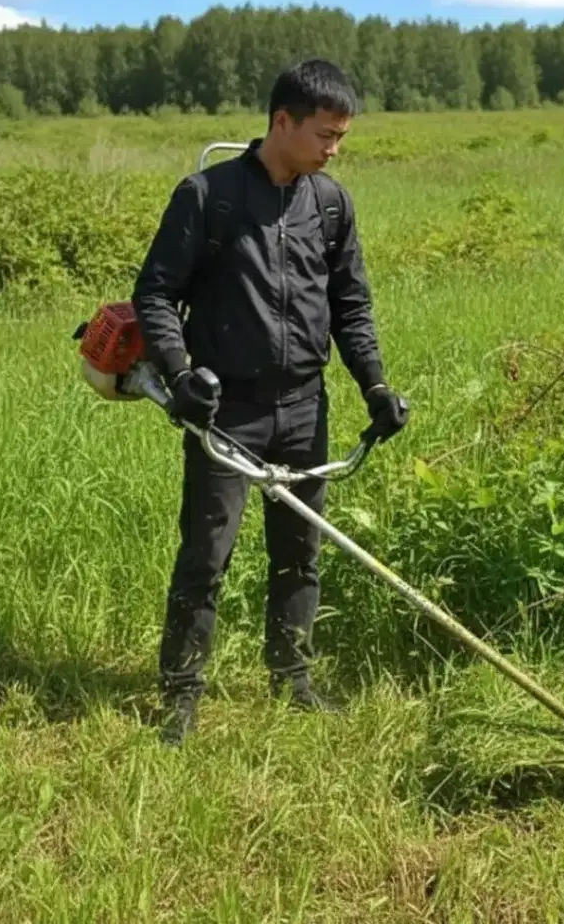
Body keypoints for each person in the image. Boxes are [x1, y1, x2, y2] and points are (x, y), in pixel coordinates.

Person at [132, 58, 409, 745]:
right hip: (227, 411)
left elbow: (351, 305)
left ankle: (293, 679)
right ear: (281, 122)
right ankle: (181, 696)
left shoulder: (331, 204)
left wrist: (374, 384)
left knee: (300, 552)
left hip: (305, 405)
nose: (334, 149)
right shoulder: (208, 196)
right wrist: (180, 372)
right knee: (207, 555)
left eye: (342, 136)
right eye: (324, 134)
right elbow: (156, 295)